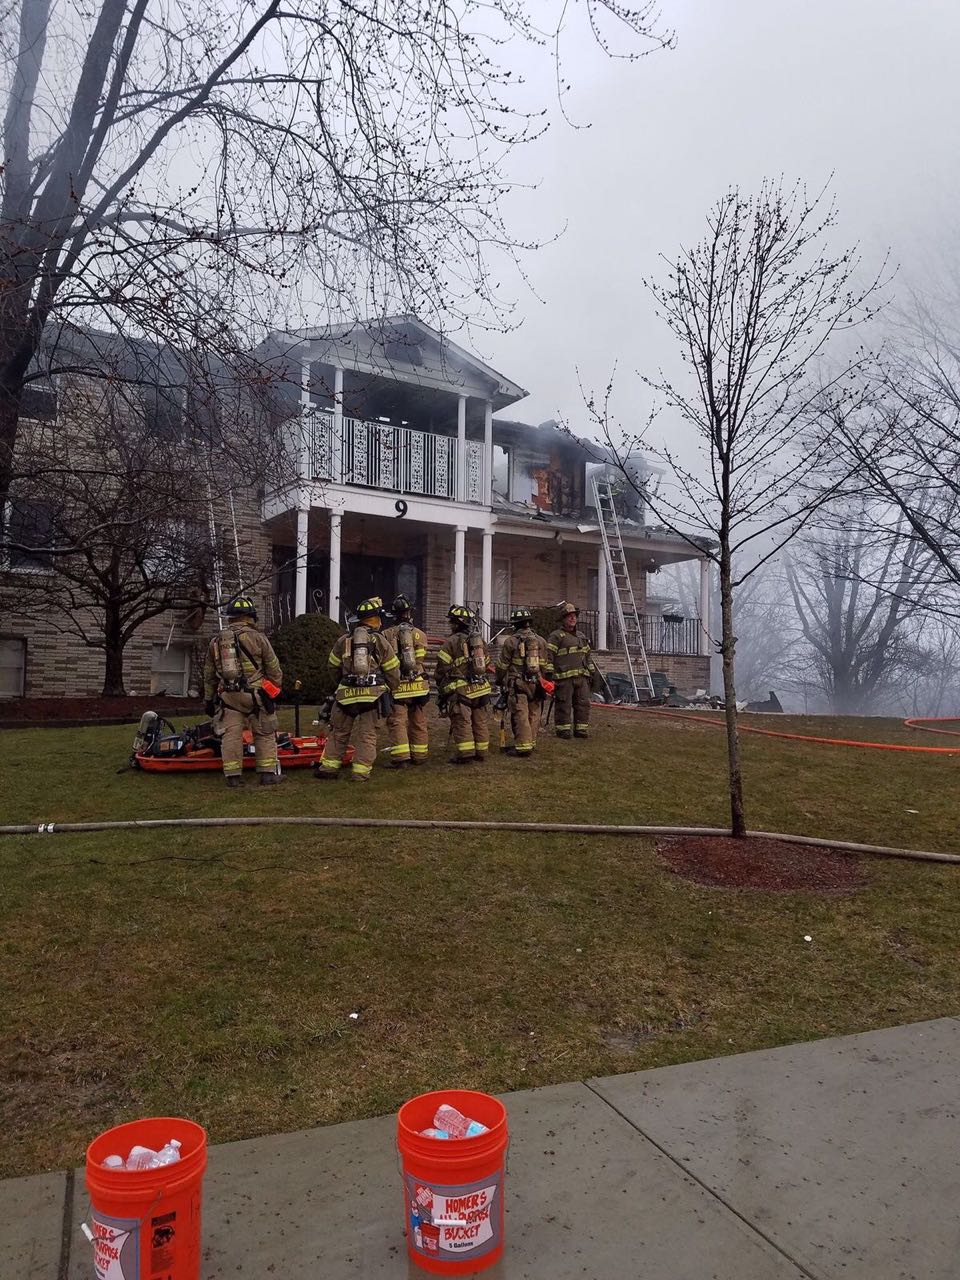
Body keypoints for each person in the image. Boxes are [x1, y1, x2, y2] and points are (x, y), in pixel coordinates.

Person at [316, 597, 400, 782]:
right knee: (367, 735)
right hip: (372, 696)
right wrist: (391, 689)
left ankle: (328, 768)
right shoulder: (380, 640)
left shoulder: (343, 641)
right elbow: (393, 670)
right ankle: (360, 772)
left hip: (346, 696)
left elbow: (332, 667)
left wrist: (342, 683)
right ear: (376, 620)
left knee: (338, 732)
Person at [203, 596, 283, 787]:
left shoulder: (216, 642)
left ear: (230, 617)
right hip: (256, 695)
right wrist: (274, 691)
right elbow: (274, 668)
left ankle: (233, 777)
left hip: (228, 697)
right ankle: (268, 775)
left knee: (231, 735)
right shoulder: (258, 638)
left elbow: (209, 675)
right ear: (251, 617)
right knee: (264, 733)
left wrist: (208, 699)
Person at [435, 605, 492, 764]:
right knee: (480, 721)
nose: (450, 625)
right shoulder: (479, 641)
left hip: (461, 692)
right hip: (480, 688)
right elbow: (486, 662)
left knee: (462, 721)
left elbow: (442, 667)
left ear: (456, 624)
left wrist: (441, 683)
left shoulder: (450, 642)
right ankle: (481, 752)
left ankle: (465, 754)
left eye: (451, 622)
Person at [496, 606, 552, 757]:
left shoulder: (510, 642)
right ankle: (531, 743)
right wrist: (542, 680)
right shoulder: (541, 641)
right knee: (534, 713)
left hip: (518, 684)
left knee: (521, 714)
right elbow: (545, 665)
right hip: (536, 682)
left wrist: (499, 680)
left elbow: (502, 665)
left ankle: (523, 747)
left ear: (515, 624)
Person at [382, 594, 430, 767]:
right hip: (419, 685)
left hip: (399, 686)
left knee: (398, 721)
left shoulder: (386, 635)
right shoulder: (421, 635)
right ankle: (420, 755)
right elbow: (421, 661)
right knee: (418, 720)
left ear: (394, 614)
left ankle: (401, 758)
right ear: (410, 613)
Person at [546, 601, 597, 739]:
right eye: (569, 616)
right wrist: (549, 673)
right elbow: (549, 655)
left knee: (583, 705)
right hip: (564, 679)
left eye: (574, 616)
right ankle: (563, 730)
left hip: (582, 678)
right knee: (564, 704)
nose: (572, 618)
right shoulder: (556, 636)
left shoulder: (581, 636)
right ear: (563, 619)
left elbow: (588, 656)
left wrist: (592, 673)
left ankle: (581, 730)